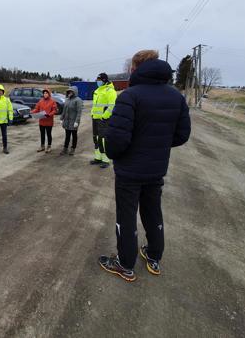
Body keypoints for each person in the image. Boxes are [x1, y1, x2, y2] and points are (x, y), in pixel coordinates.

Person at [98, 50, 191, 282]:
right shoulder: (176, 97)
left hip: (130, 170)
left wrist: (112, 152)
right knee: (152, 211)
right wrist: (157, 145)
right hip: (156, 168)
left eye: (131, 65)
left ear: (137, 67)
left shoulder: (130, 96)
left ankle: (125, 264)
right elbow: (182, 135)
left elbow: (117, 141)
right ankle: (153, 255)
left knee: (127, 216)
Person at [90, 72, 117, 168]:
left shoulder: (110, 91)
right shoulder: (97, 90)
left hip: (104, 119)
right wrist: (92, 114)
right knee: (96, 138)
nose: (98, 82)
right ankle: (98, 158)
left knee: (103, 139)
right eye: (97, 80)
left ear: (104, 80)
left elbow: (112, 106)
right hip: (95, 118)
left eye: (99, 80)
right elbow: (95, 105)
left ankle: (106, 160)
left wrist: (105, 116)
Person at [31, 88, 58, 153]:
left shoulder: (52, 101)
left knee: (49, 134)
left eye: (46, 93)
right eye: (44, 93)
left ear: (49, 94)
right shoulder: (40, 101)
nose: (45, 94)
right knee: (42, 134)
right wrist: (32, 112)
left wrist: (49, 114)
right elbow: (37, 109)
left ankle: (49, 146)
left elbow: (55, 110)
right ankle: (42, 146)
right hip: (42, 121)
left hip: (49, 121)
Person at [59, 85, 83, 155]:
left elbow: (79, 112)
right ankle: (65, 148)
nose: (70, 92)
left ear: (75, 92)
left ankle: (73, 148)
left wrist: (77, 121)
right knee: (67, 135)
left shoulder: (78, 100)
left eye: (71, 91)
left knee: (74, 135)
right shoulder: (67, 100)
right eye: (69, 91)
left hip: (74, 121)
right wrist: (61, 118)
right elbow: (64, 110)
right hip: (67, 121)